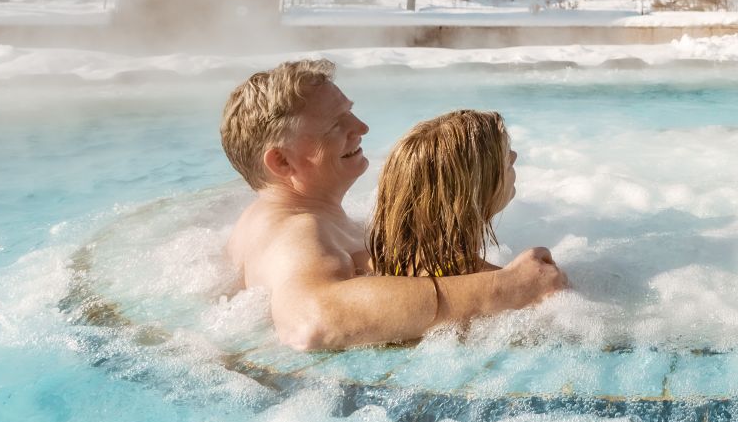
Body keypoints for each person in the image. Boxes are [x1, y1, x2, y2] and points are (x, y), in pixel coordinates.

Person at [220, 58, 566, 350]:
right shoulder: (297, 232)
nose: (362, 127)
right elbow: (311, 321)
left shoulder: (300, 219)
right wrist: (504, 289)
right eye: (336, 124)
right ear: (281, 162)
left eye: (351, 113)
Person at [367, 109, 516, 279]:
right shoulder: (499, 284)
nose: (514, 156)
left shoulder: (384, 263)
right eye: (505, 156)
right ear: (474, 189)